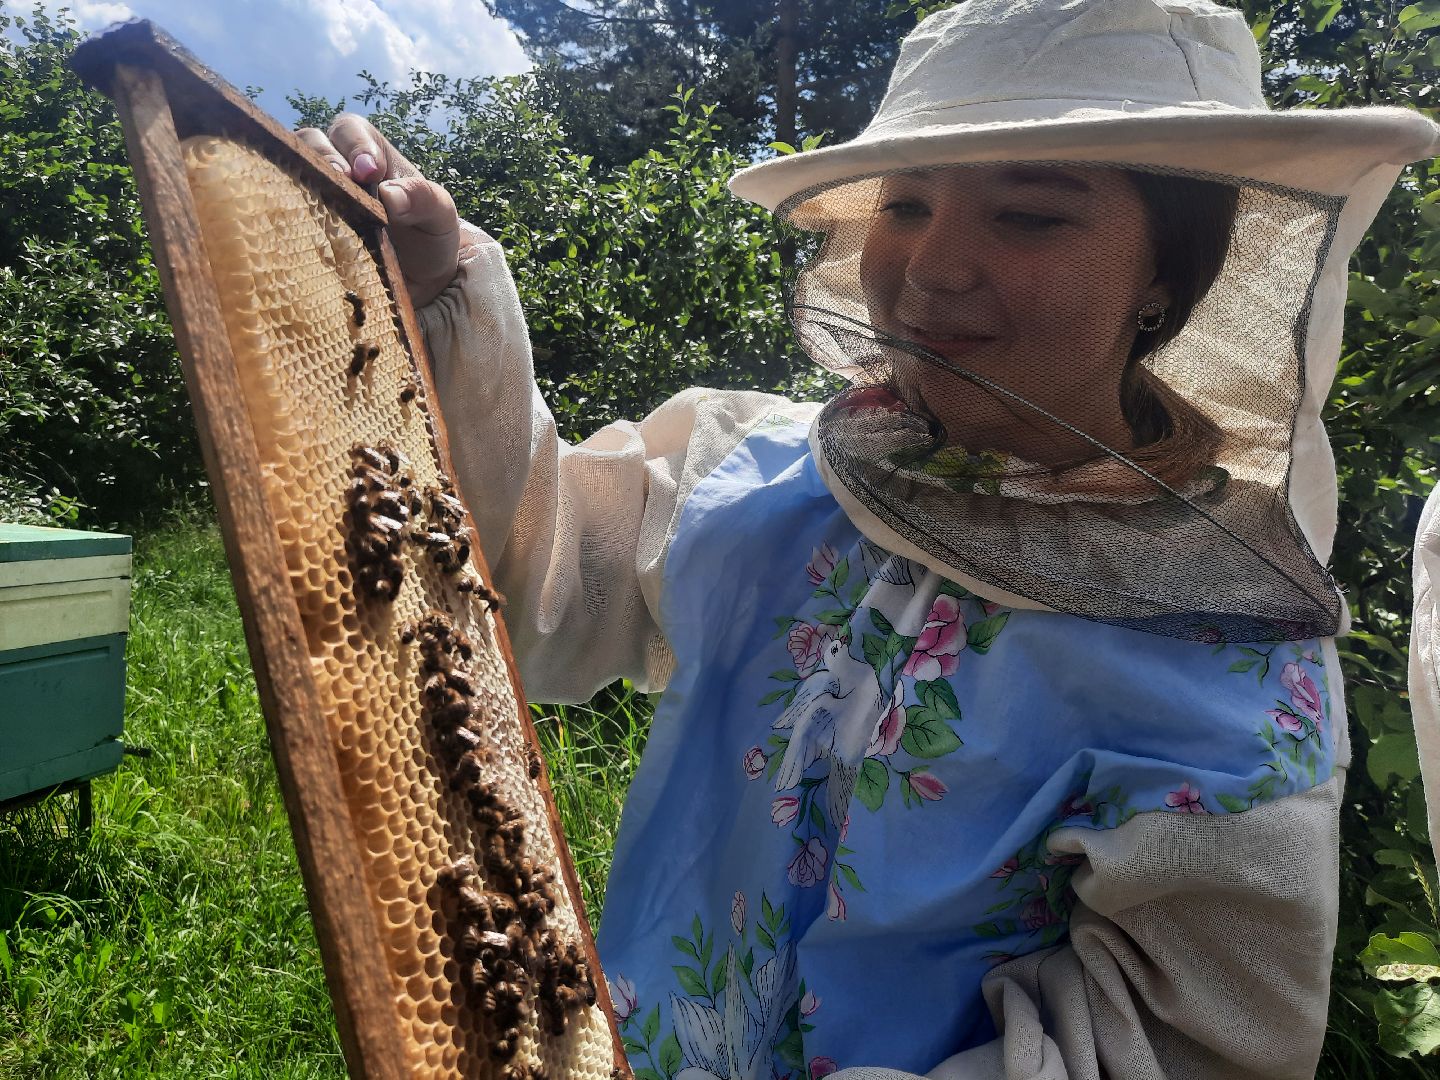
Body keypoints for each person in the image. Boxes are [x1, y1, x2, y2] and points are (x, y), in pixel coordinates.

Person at [300, 1, 1439, 1077]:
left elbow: (1183, 1046)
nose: (934, 267)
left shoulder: (1229, 661)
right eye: (906, 202)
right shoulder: (762, 470)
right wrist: (446, 291)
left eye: (1030, 213)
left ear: (1167, 274)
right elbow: (533, 585)